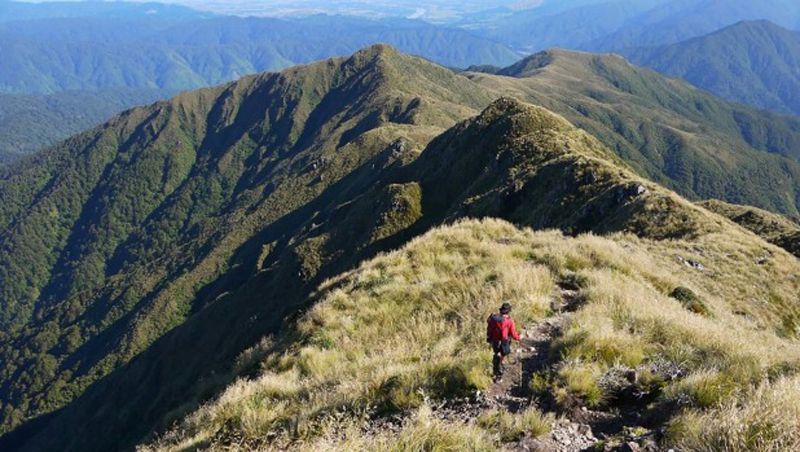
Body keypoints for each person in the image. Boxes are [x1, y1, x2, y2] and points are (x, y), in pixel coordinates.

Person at [486, 302, 521, 380]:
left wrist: (489, 337)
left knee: (496, 353)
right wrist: (518, 337)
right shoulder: (510, 321)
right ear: (508, 311)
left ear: (501, 310)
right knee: (503, 354)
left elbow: (490, 329)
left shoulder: (494, 318)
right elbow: (513, 334)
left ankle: (497, 365)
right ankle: (500, 365)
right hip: (505, 341)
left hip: (495, 340)